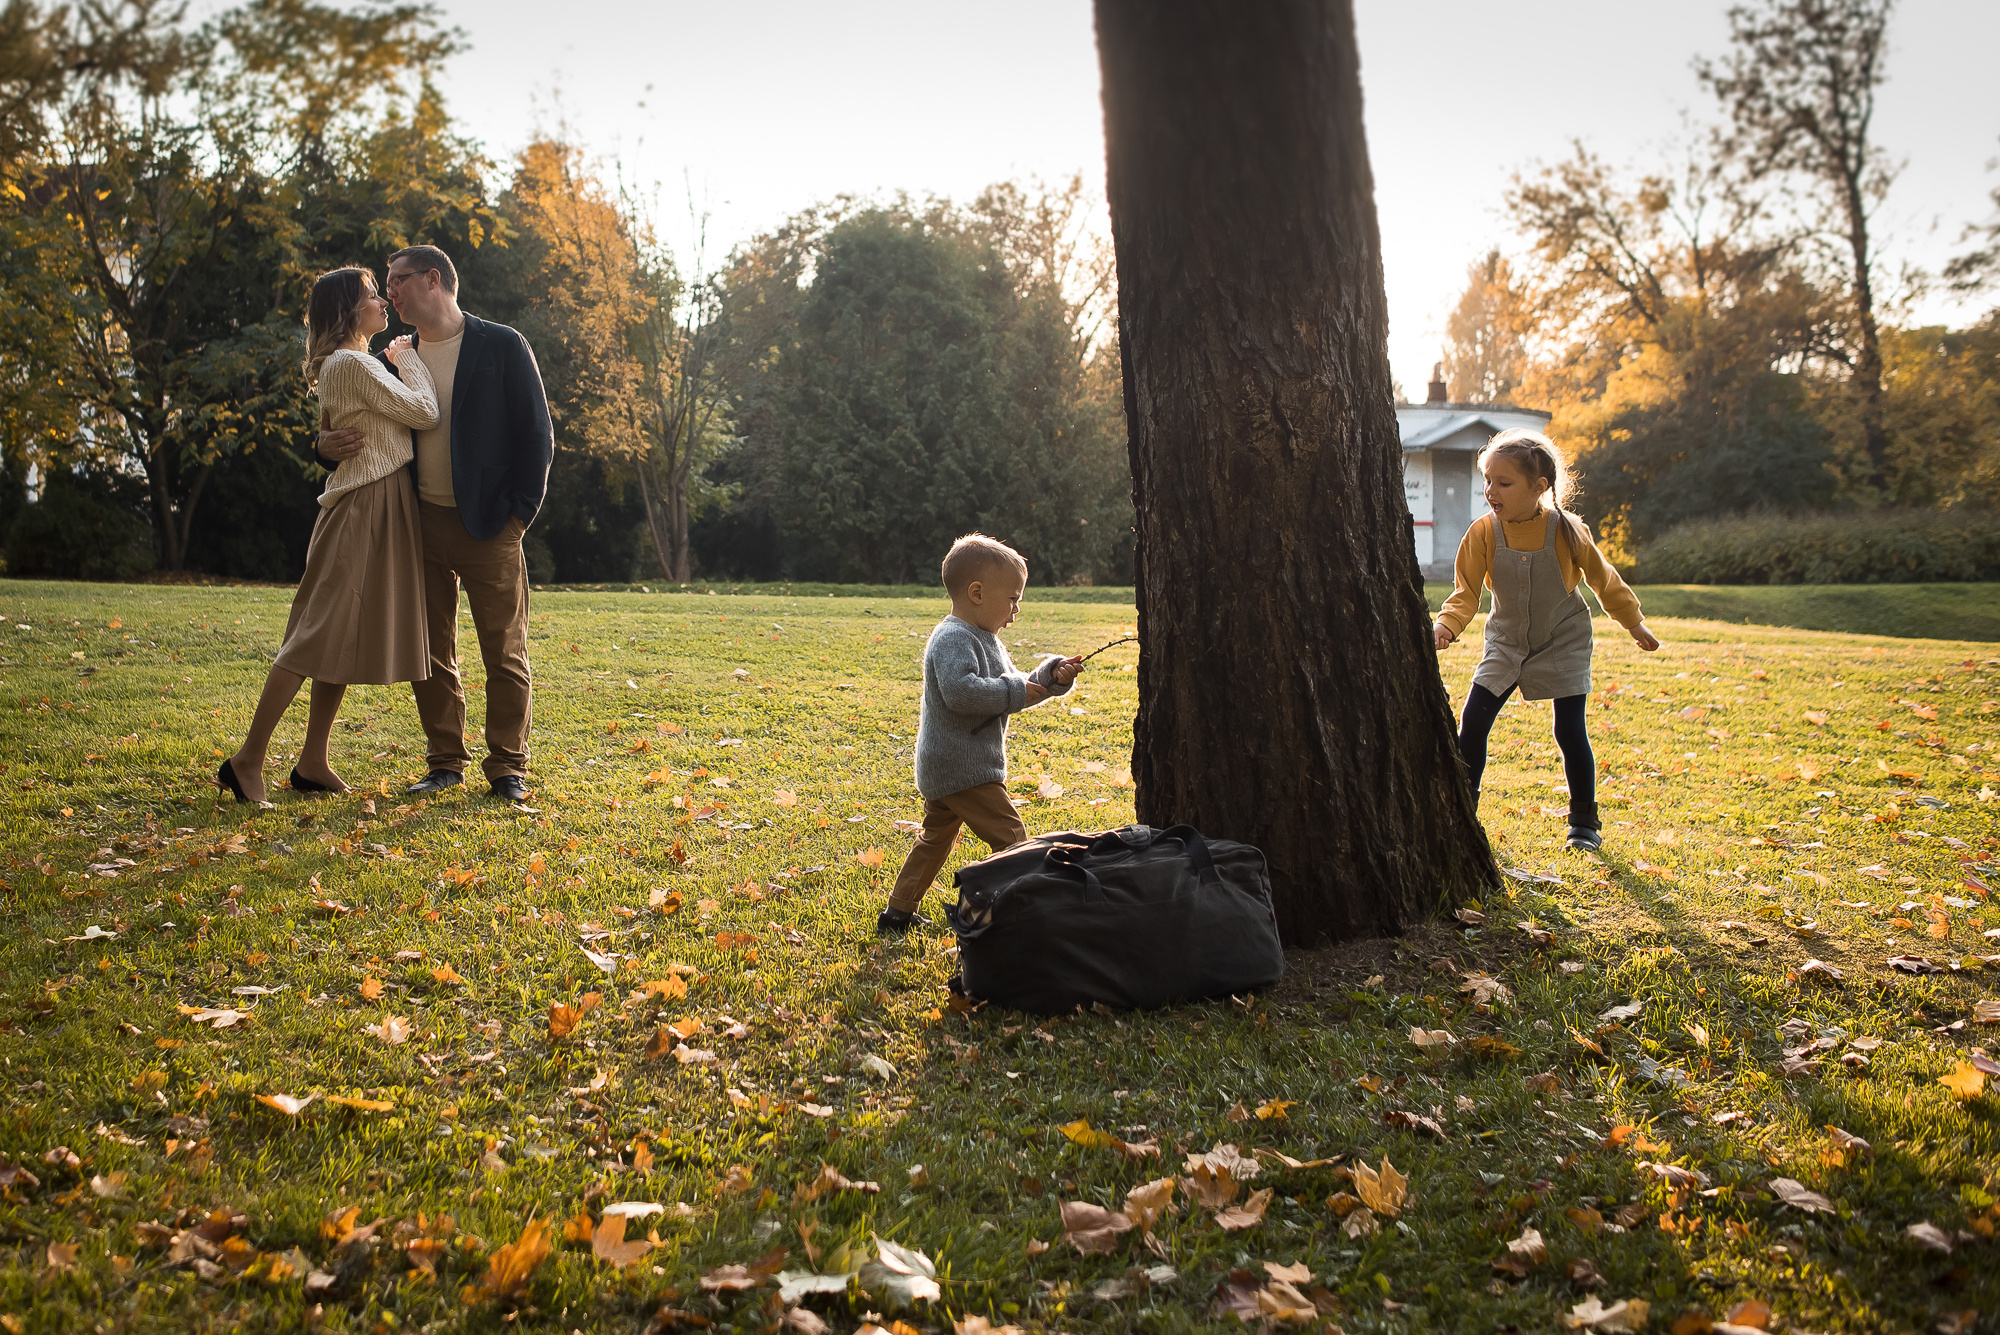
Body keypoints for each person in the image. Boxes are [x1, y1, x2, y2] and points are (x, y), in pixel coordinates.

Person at [316, 245, 553, 804]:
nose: (389, 292)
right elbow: (356, 428)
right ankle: (445, 761)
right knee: (431, 650)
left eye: (396, 281)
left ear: (433, 279)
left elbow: (537, 436)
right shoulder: (396, 356)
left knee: (505, 652)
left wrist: (518, 516)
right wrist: (323, 447)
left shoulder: (502, 344)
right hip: (416, 522)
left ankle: (507, 768)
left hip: (492, 526)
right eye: (386, 284)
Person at [218, 267, 437, 804]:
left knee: (335, 636)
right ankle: (247, 760)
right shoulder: (350, 362)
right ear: (347, 311)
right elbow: (425, 412)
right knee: (315, 635)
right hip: (362, 508)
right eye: (372, 297)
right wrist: (407, 356)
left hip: (379, 502)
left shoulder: (351, 363)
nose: (383, 304)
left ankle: (312, 760)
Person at [1432, 429, 1660, 852]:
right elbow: (1465, 592)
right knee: (1474, 721)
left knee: (1570, 729)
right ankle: (1462, 811)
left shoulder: (1567, 531)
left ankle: (1584, 822)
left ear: (1539, 488)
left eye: (1503, 483)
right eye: (1488, 480)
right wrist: (1447, 625)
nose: (1490, 491)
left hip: (1563, 639)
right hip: (1506, 641)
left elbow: (1604, 580)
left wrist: (1634, 623)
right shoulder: (1482, 533)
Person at [878, 534, 1083, 935]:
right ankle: (1014, 912)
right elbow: (962, 691)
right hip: (962, 766)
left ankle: (897, 914)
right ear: (976, 593)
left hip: (950, 765)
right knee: (1012, 838)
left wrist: (1049, 677)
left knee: (934, 840)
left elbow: (1012, 687)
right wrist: (1016, 691)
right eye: (1012, 599)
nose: (1016, 610)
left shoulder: (984, 637)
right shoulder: (953, 637)